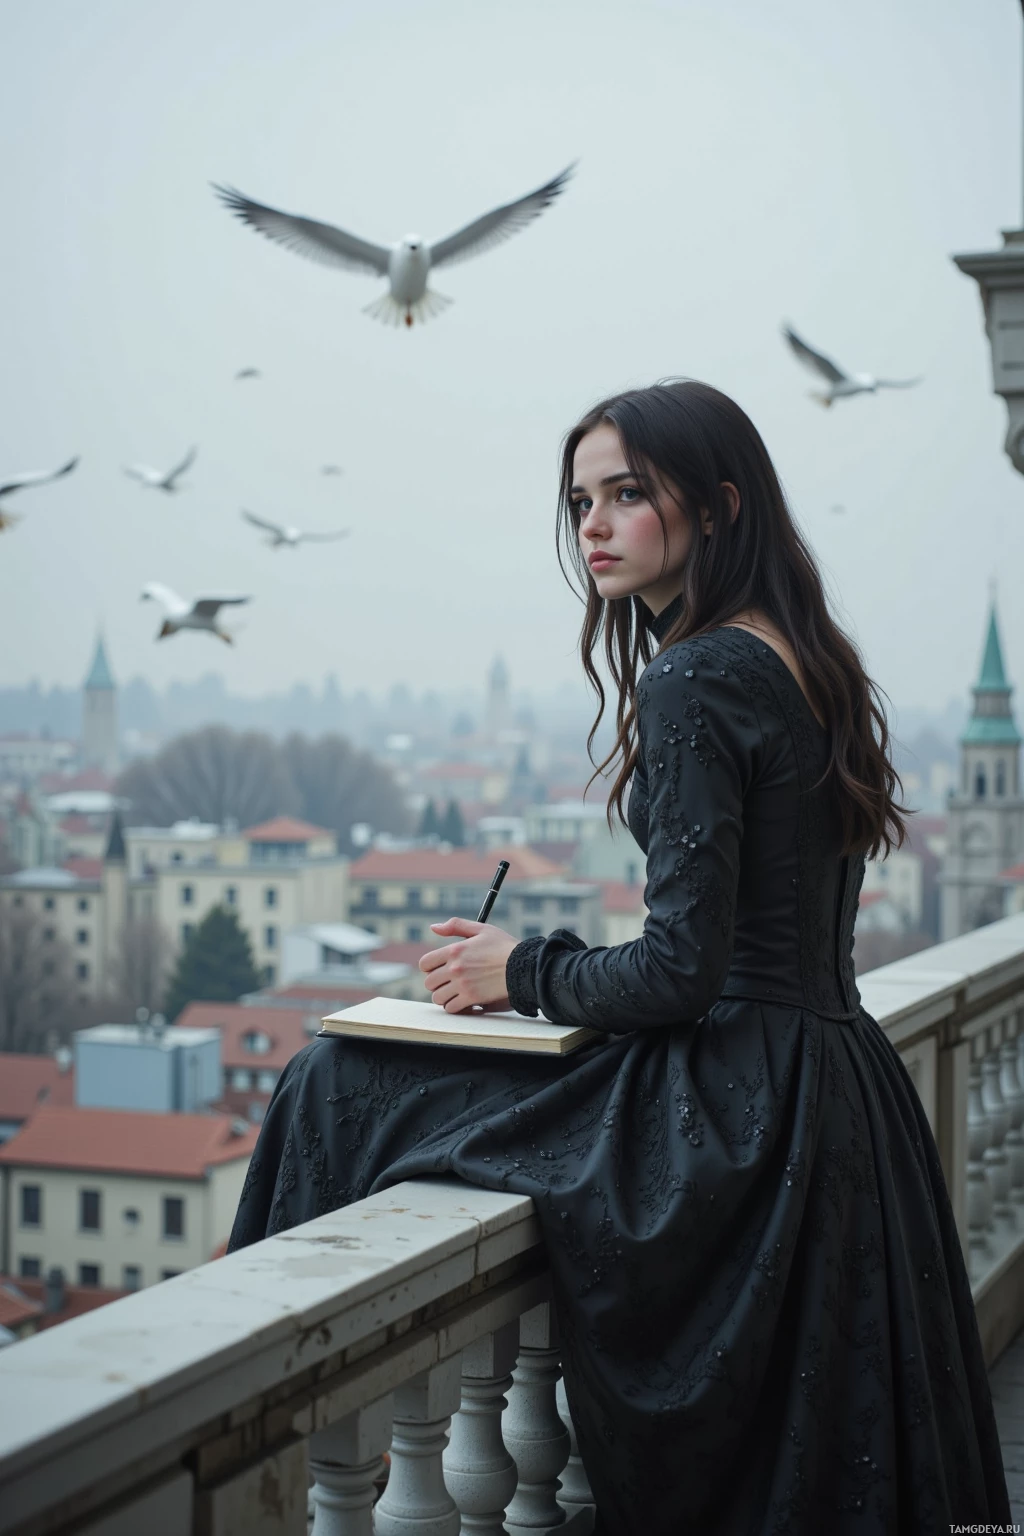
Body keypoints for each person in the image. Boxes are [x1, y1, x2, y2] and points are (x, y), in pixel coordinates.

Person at [228, 380, 1010, 1533]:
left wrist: (518, 972)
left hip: (742, 1102)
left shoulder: (695, 675)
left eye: (628, 495)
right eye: (580, 499)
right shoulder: (803, 658)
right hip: (834, 1087)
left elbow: (681, 970)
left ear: (719, 508)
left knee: (330, 1085)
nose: (591, 525)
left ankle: (252, 1437)